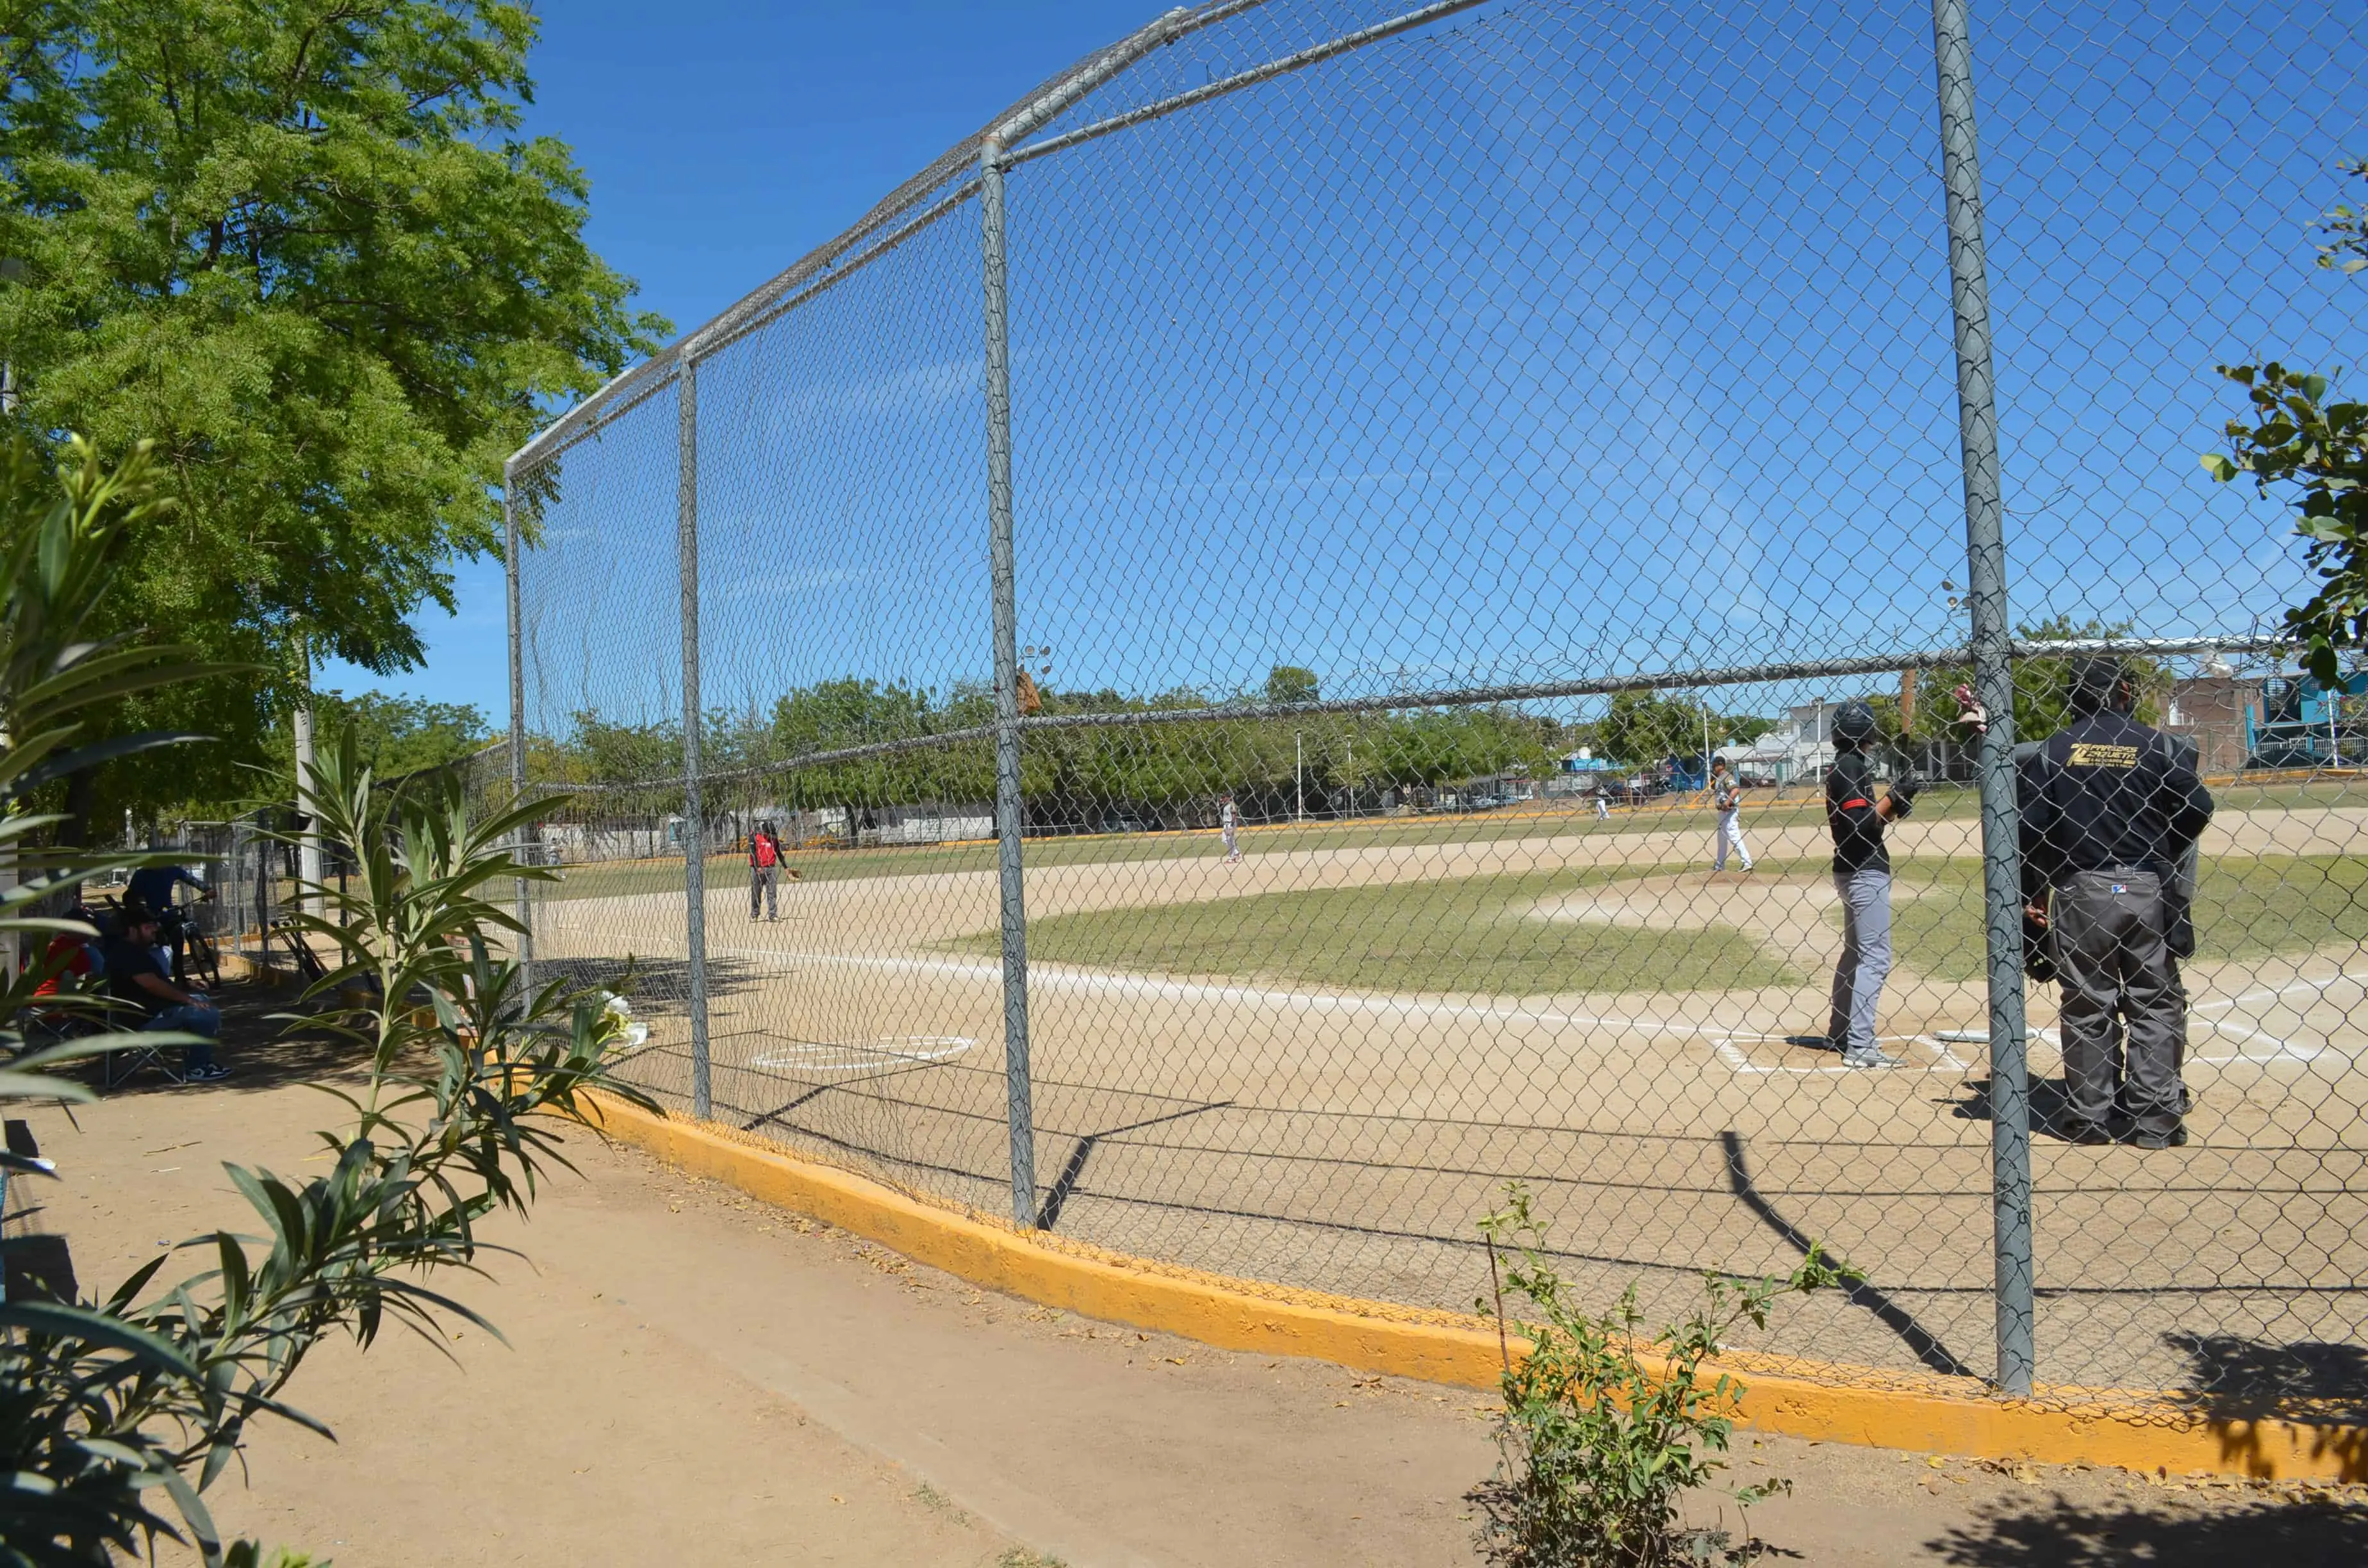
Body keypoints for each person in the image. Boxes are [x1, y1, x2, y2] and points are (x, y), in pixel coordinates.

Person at [2019, 657, 2214, 1148]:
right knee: (2156, 1001)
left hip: (2082, 887)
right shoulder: (2156, 744)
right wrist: (2160, 844)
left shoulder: (2054, 750)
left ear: (2074, 698)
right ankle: (2154, 1120)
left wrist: (2048, 873)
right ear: (2123, 693)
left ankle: (2090, 1117)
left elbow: (2030, 828)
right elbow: (2198, 808)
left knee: (2087, 1003)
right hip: (2147, 884)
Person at [1823, 699, 1918, 1068]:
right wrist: (1892, 797)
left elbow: (1871, 821)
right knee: (1876, 956)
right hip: (1863, 870)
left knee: (1856, 953)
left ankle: (1842, 1032)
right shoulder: (1849, 767)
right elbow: (1861, 827)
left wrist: (1897, 802)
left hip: (1854, 867)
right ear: (1865, 732)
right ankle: (1860, 1045)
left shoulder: (1850, 766)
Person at [101, 900, 225, 1081]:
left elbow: (154, 984)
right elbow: (151, 984)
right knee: (203, 1013)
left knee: (202, 1000)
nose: (155, 929)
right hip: (141, 1021)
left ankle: (202, 1061)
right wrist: (187, 1000)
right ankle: (196, 1067)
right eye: (148, 926)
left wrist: (185, 986)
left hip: (152, 1012)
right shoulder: (125, 954)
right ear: (132, 930)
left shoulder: (132, 951)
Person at [128, 860, 210, 981]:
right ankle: (156, 977)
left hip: (169, 913)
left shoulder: (171, 869)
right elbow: (130, 898)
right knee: (157, 946)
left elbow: (191, 879)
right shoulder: (141, 874)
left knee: (178, 937)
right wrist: (141, 909)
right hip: (149, 916)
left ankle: (180, 976)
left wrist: (207, 890)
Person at [1709, 758, 1753, 872]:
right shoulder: (1719, 778)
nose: (1713, 768)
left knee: (1733, 835)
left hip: (1730, 812)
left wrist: (1727, 803)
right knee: (1722, 839)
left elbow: (1735, 790)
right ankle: (1720, 865)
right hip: (1723, 813)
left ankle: (1747, 862)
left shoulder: (1726, 776)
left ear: (1721, 766)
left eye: (1714, 766)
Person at [749, 820, 785, 922]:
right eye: (768, 834)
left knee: (772, 893)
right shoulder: (756, 837)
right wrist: (758, 866)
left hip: (771, 868)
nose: (770, 836)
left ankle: (773, 915)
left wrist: (786, 867)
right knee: (756, 892)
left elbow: (779, 854)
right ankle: (754, 914)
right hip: (757, 869)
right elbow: (753, 853)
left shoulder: (774, 840)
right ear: (764, 832)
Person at [1221, 792, 1242, 862]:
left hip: (1230, 824)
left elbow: (1234, 814)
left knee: (1230, 840)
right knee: (1224, 840)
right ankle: (1237, 853)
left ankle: (1232, 858)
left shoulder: (1232, 805)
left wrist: (1232, 826)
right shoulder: (1225, 806)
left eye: (1224, 797)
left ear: (1228, 798)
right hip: (1225, 824)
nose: (1222, 799)